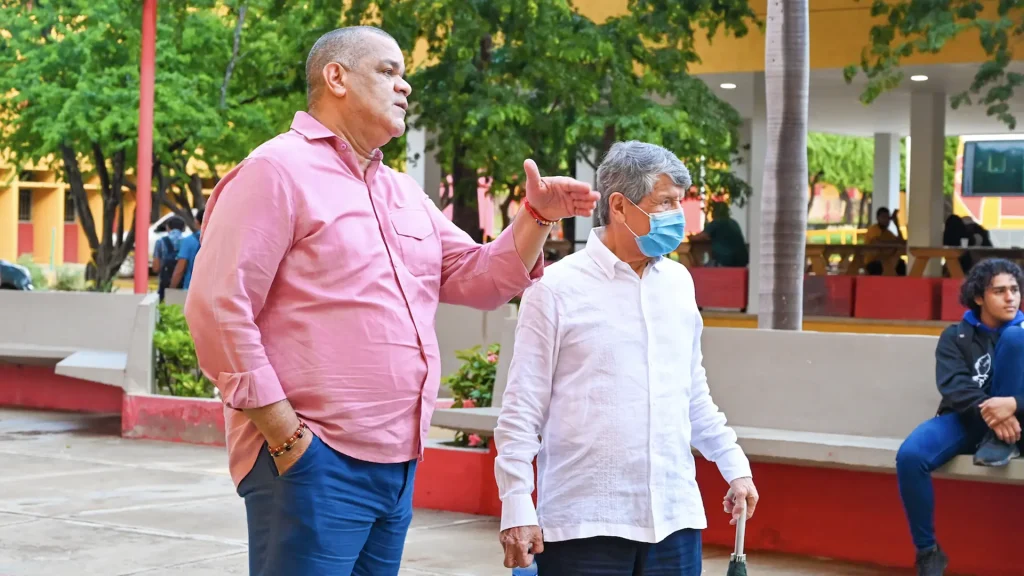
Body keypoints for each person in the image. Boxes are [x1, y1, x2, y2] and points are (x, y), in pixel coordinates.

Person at [184, 26, 598, 576]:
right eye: (388, 71)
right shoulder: (274, 171)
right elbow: (218, 307)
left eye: (405, 75)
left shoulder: (400, 190)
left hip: (397, 462)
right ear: (336, 77)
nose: (404, 87)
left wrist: (536, 218)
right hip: (312, 460)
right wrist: (287, 437)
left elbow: (477, 277)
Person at [493, 141, 758, 576]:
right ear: (619, 205)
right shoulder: (554, 289)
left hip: (674, 519)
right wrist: (517, 505)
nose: (678, 216)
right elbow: (522, 409)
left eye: (680, 203)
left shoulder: (678, 283)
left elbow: (692, 393)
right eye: (665, 202)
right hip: (584, 524)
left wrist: (735, 467)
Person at [895, 258, 1024, 576]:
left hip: (1019, 425)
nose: (1010, 297)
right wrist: (994, 414)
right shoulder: (956, 336)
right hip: (968, 419)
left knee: (1015, 338)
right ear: (979, 297)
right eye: (999, 291)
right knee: (911, 456)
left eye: (1015, 289)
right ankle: (928, 552)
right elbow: (954, 385)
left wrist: (1014, 403)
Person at [688, 201, 748, 267]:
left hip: (724, 261)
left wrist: (691, 237)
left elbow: (701, 236)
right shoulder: (734, 222)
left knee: (703, 270)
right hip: (741, 261)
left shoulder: (716, 222)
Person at [863, 207, 907, 276]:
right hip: (872, 262)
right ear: (877, 218)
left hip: (887, 260)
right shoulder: (873, 229)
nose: (886, 220)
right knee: (882, 267)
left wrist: (897, 225)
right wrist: (895, 243)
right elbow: (877, 242)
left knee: (901, 264)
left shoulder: (888, 233)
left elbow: (901, 242)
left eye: (887, 217)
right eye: (883, 217)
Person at [152, 216, 185, 301]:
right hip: (184, 285)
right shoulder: (187, 242)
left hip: (165, 284)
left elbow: (156, 267)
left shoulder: (160, 242)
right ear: (183, 229)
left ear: (168, 227)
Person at [170, 208, 203, 290]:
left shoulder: (189, 240)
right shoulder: (221, 240)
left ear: (197, 222)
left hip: (191, 290)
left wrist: (171, 288)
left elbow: (180, 269)